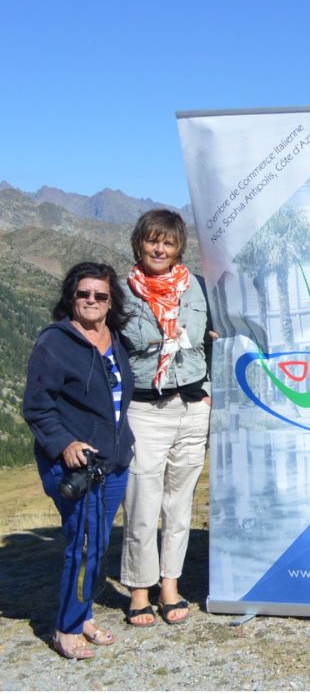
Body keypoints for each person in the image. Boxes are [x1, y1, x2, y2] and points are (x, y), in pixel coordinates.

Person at [24, 262, 136, 658]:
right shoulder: (54, 342)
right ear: (71, 297)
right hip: (76, 465)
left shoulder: (116, 339)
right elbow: (38, 408)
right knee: (84, 545)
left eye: (100, 295)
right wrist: (64, 443)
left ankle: (83, 614)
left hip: (114, 462)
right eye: (83, 294)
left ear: (110, 301)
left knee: (97, 542)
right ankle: (67, 627)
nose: (91, 300)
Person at [120, 209, 213, 627]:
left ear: (179, 248)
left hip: (193, 407)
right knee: (142, 501)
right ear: (139, 243)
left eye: (168, 242)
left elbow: (216, 337)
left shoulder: (197, 287)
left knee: (179, 504)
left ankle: (169, 585)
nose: (160, 248)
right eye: (153, 241)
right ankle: (139, 590)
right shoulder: (121, 292)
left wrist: (209, 391)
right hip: (145, 409)